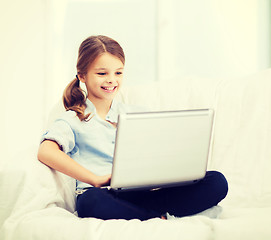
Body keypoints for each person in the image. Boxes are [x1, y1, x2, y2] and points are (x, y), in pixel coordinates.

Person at [38, 35, 228, 221]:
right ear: (82, 76)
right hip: (105, 195)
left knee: (217, 182)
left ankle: (143, 214)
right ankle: (157, 217)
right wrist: (95, 179)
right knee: (90, 202)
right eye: (102, 73)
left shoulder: (136, 114)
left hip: (145, 192)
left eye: (118, 73)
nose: (112, 79)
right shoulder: (73, 118)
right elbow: (46, 151)